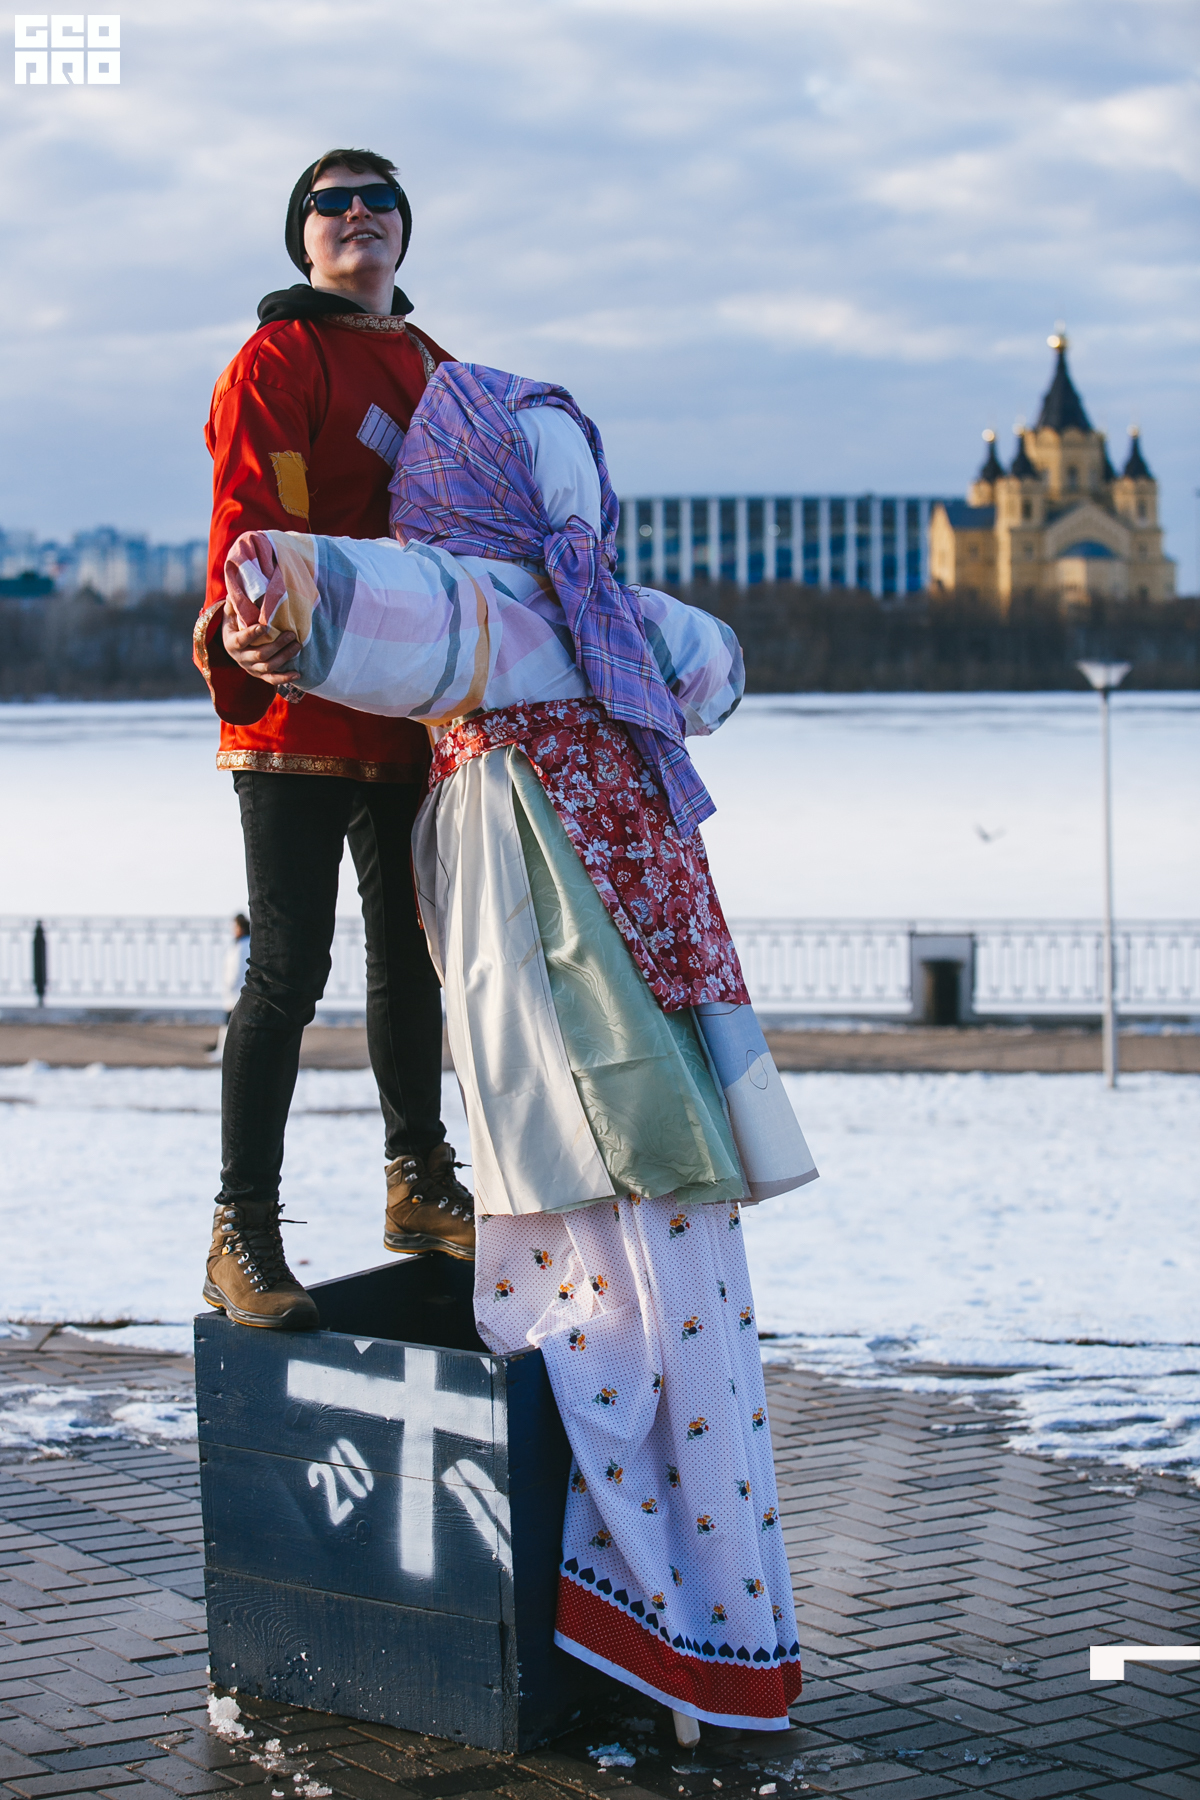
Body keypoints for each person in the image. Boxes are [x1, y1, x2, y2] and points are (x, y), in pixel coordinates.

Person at [224, 360, 817, 1740]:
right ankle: (718, 1624)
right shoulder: (613, 615)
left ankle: (641, 1614)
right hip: (651, 939)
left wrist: (265, 592)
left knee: (574, 1215)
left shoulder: (497, 608)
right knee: (666, 1246)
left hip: (545, 928)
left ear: (455, 495)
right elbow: (716, 664)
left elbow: (365, 602)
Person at [193, 149, 474, 1335]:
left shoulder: (438, 369)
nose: (357, 214)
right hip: (297, 705)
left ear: (404, 231)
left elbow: (475, 518)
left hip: (409, 709)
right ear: (302, 236)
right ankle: (242, 1232)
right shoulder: (280, 356)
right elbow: (258, 514)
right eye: (332, 202)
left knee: (415, 959)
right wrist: (256, 617)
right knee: (287, 969)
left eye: (378, 200)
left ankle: (419, 1183)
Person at [209, 913, 251, 1060]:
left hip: (237, 991)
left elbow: (237, 970)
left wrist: (229, 987)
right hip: (236, 991)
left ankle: (224, 1052)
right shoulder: (241, 944)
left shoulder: (242, 946)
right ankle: (223, 1050)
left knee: (230, 1023)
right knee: (230, 1022)